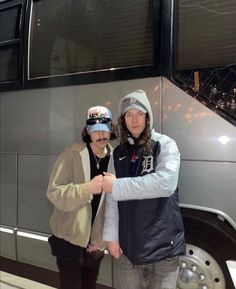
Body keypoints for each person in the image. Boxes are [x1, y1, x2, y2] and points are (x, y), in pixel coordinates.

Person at [102, 90, 186, 289]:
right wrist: (111, 237)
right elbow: (112, 199)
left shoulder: (165, 145)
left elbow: (165, 184)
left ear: (148, 116)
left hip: (164, 248)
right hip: (129, 248)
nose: (135, 120)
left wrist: (118, 185)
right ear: (123, 120)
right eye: (129, 115)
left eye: (140, 113)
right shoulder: (118, 154)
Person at [47, 105, 115, 289]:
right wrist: (87, 189)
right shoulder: (72, 154)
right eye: (95, 130)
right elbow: (54, 192)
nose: (101, 134)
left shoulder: (115, 159)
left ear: (111, 129)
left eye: (105, 129)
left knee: (89, 286)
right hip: (69, 240)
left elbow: (113, 207)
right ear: (87, 131)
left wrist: (101, 242)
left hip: (95, 243)